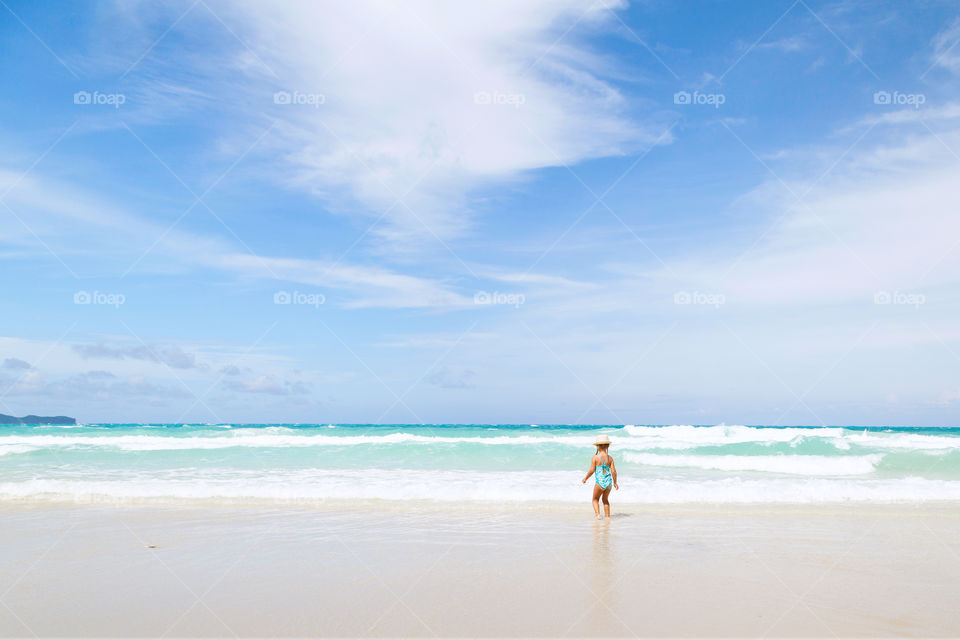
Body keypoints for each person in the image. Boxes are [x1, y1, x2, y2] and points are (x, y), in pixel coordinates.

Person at [582, 434, 618, 519]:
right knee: (605, 500)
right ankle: (607, 517)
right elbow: (614, 472)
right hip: (609, 483)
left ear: (597, 446)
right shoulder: (610, 458)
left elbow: (591, 470)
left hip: (599, 483)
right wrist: (615, 483)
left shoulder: (595, 457)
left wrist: (585, 478)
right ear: (608, 446)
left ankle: (598, 515)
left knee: (595, 499)